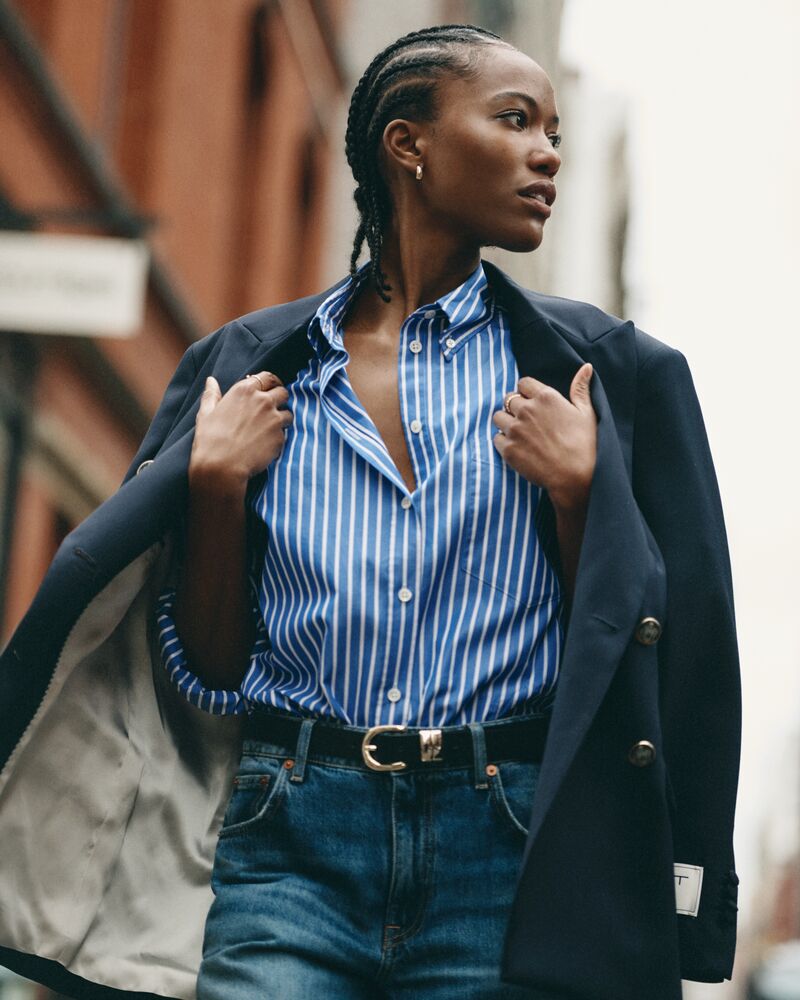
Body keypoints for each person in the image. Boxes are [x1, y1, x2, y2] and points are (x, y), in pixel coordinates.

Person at [0, 23, 740, 1000]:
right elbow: (215, 671)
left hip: (505, 848)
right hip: (288, 838)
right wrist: (215, 492)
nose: (546, 152)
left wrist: (575, 499)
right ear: (409, 145)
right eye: (514, 120)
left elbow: (665, 645)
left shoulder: (606, 377)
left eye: (553, 129)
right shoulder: (247, 368)